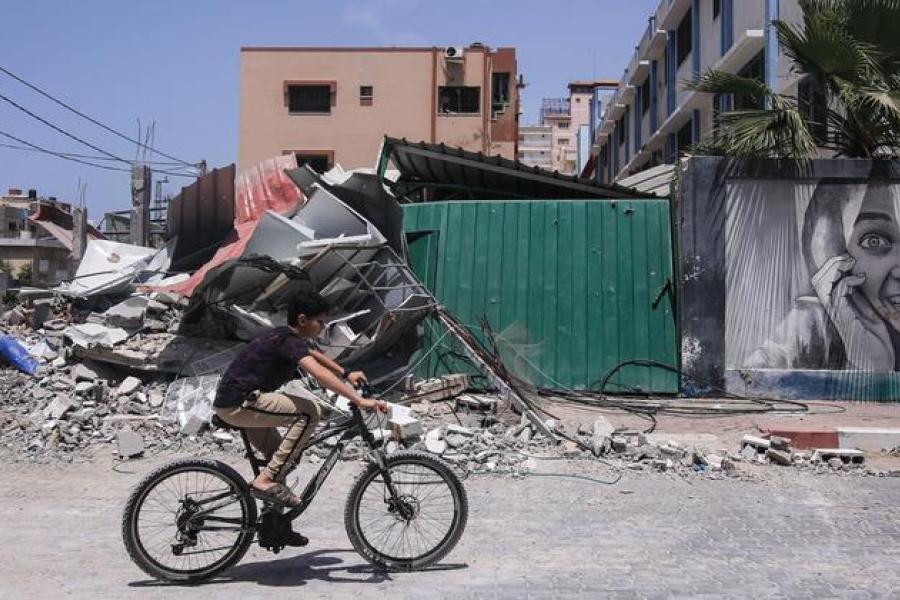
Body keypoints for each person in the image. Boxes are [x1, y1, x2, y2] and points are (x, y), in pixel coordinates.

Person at [214, 290, 387, 514]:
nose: (323, 327)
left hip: (237, 402)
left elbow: (314, 354)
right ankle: (264, 481)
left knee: (280, 458)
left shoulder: (286, 337)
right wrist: (357, 399)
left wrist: (346, 372)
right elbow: (316, 372)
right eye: (320, 322)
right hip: (240, 403)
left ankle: (274, 525)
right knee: (309, 412)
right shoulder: (287, 340)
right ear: (302, 320)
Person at [747, 180, 900, 370]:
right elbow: (742, 383)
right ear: (838, 267)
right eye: (874, 241)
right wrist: (868, 364)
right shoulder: (810, 329)